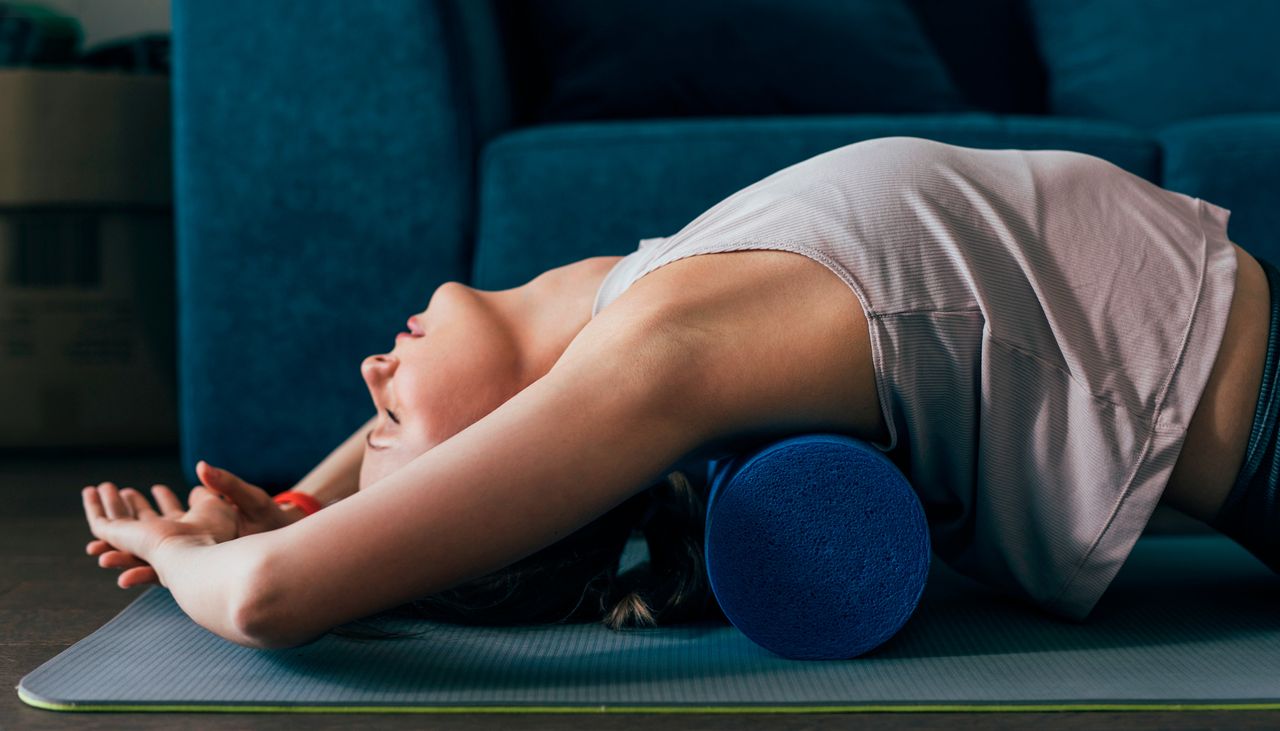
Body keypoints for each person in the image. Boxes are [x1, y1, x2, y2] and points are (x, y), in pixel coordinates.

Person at [80, 136, 1275, 648]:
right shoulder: (667, 356)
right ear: (540, 446)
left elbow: (344, 504)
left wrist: (304, 499)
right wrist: (176, 546)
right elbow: (269, 601)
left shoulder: (637, 290)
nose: (370, 374)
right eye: (393, 420)